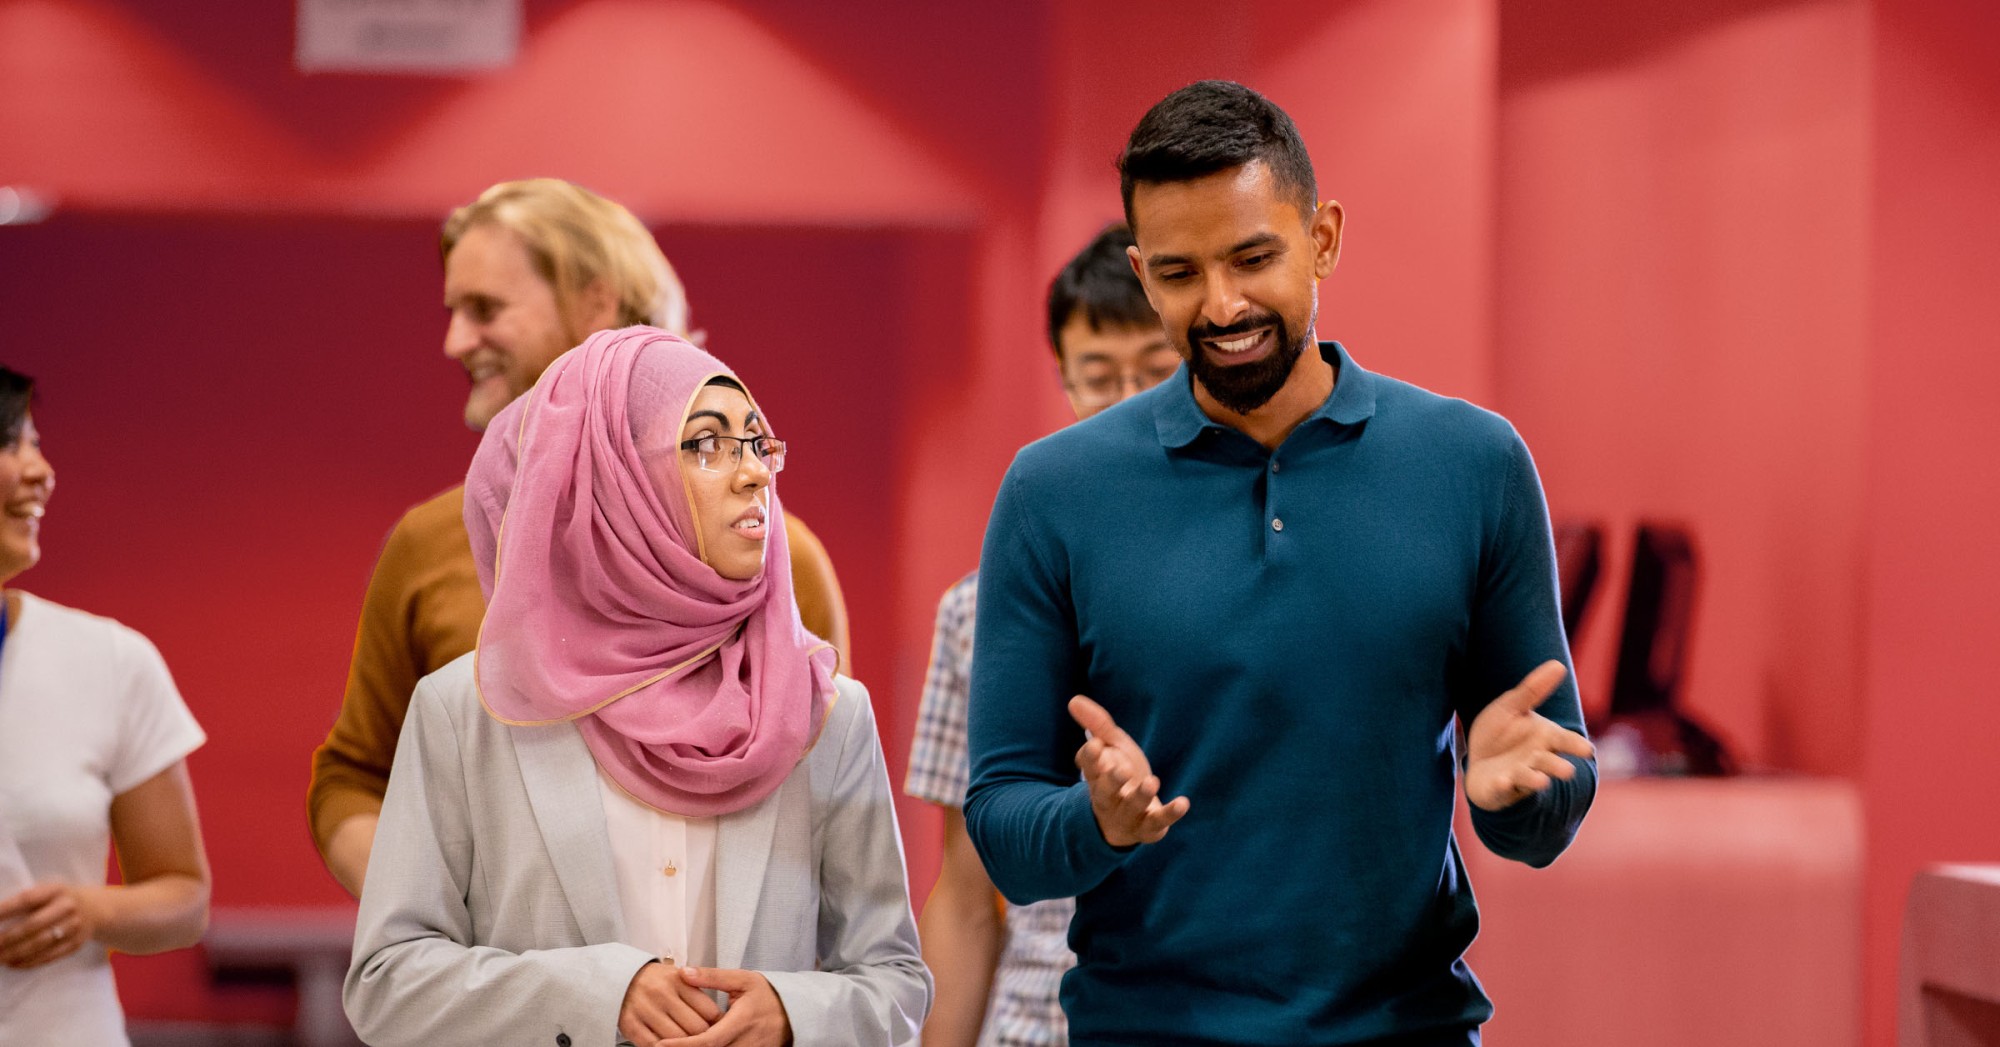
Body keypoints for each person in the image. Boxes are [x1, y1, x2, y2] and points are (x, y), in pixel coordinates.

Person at [963, 81, 1597, 1046]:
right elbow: (1004, 830)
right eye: (1179, 273)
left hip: (1407, 1029)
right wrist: (1097, 824)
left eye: (1253, 257)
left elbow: (1549, 794)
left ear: (1324, 237)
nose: (1222, 305)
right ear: (1142, 273)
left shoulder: (1475, 464)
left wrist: (1521, 800)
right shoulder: (1053, 493)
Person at [344, 327, 927, 1046]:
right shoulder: (470, 712)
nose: (753, 473)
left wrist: (794, 1011)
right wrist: (594, 993)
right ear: (614, 478)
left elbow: (896, 978)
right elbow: (387, 981)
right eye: (707, 444)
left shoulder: (825, 710)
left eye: (757, 442)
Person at [309, 179, 851, 897]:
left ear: (596, 303)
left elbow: (823, 805)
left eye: (486, 309)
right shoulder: (426, 544)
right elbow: (355, 779)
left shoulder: (777, 559)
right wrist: (444, 920)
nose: (455, 340)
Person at [906, 224, 1176, 1047]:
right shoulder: (979, 607)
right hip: (1032, 1020)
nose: (1126, 400)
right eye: (1098, 376)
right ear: (1063, 380)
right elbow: (963, 890)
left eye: (1156, 372)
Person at [0, 367, 211, 1044]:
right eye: (11, 445)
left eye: (35, 441)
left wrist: (87, 910)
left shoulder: (110, 660)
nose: (41, 471)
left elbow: (185, 895)